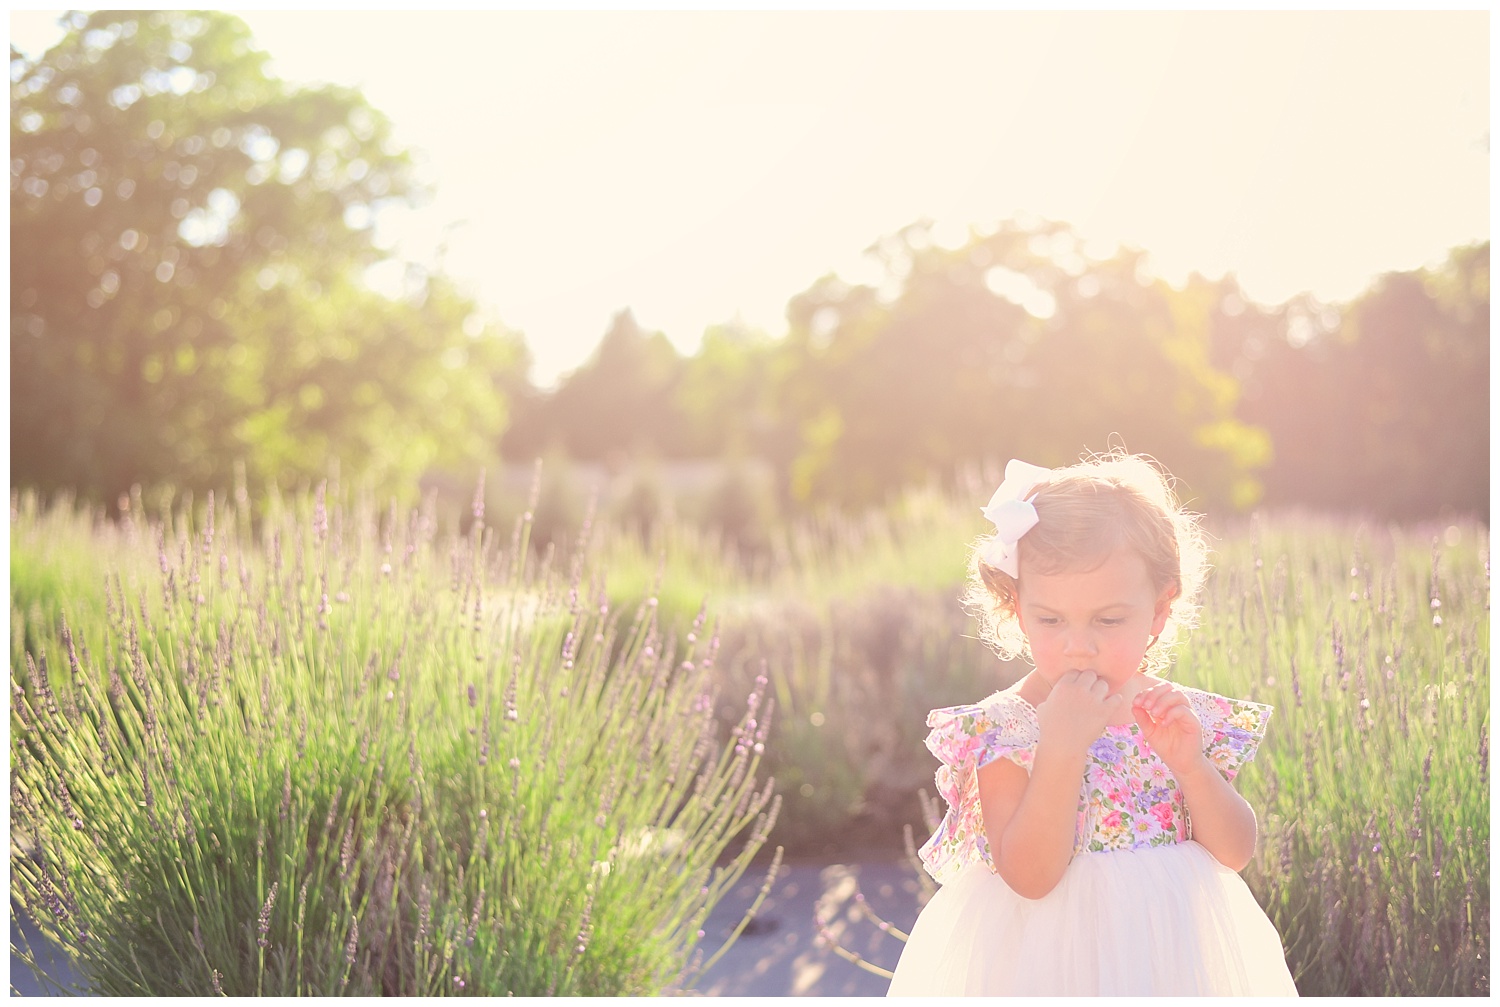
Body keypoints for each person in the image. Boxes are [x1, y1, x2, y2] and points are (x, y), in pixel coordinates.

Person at [886, 453, 1298, 996]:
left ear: (1159, 609)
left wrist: (1193, 769)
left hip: (1169, 958)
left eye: (1108, 619)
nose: (1078, 645)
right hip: (1048, 964)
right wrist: (1060, 747)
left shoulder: (1174, 716)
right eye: (1050, 620)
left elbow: (1235, 852)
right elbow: (1031, 879)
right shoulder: (1006, 730)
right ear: (1016, 609)